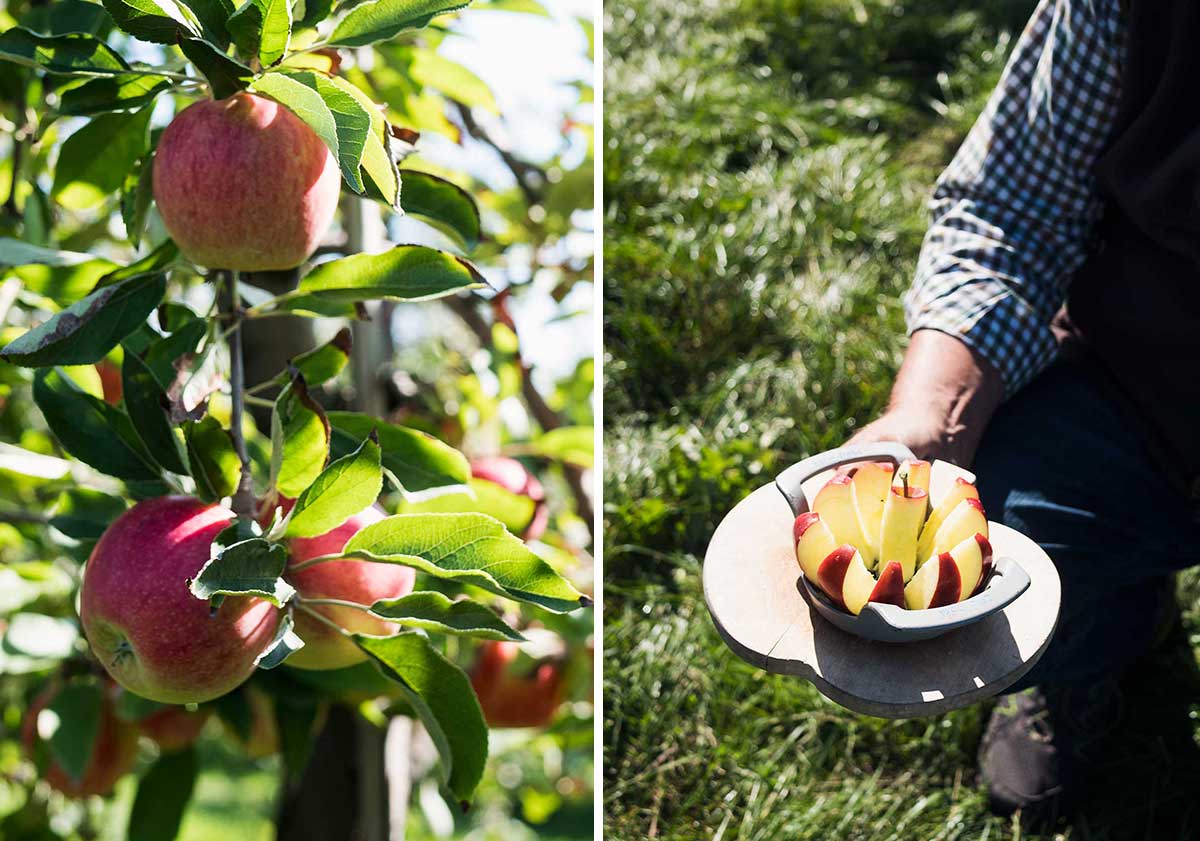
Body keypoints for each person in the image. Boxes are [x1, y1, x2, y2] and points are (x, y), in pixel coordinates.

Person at [847, 0, 1200, 824]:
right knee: (992, 525)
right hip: (1138, 380)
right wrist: (928, 419)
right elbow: (1014, 207)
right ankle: (1095, 643)